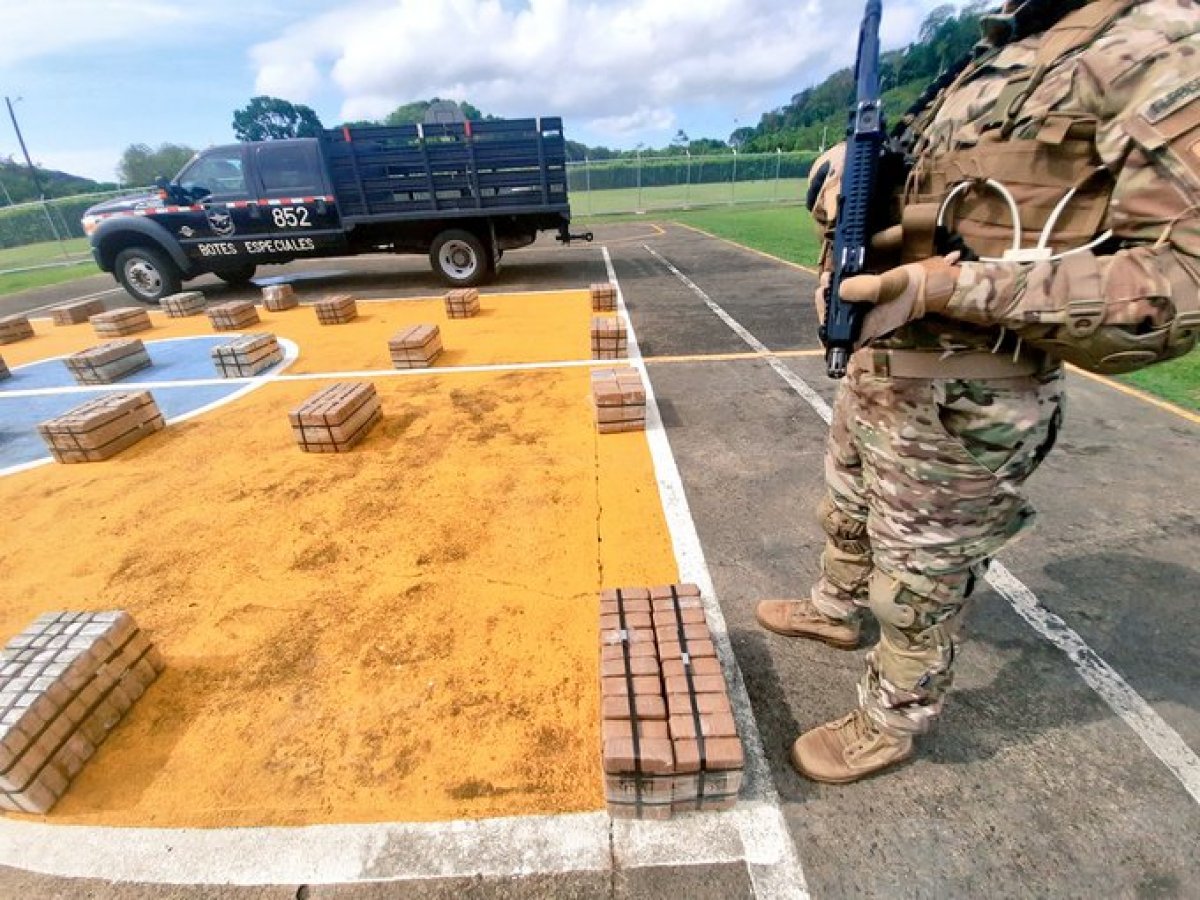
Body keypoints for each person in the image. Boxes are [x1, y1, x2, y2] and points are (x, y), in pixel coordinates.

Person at [756, 0, 1200, 784]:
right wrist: (849, 186)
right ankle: (834, 608)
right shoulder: (1002, 48)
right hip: (884, 360)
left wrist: (949, 288)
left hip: (971, 390)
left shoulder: (1159, 44)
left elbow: (1177, 285)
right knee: (846, 507)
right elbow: (943, 198)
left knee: (918, 582)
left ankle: (890, 718)